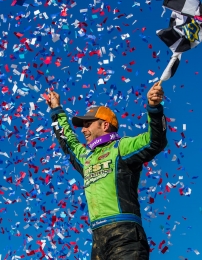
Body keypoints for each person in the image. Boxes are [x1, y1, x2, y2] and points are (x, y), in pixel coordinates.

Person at [46, 82, 167, 260]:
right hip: (98, 240)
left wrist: (154, 109)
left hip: (125, 235)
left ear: (104, 126)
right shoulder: (87, 158)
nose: (84, 130)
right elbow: (68, 141)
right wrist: (56, 110)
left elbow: (154, 141)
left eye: (88, 124)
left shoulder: (122, 147)